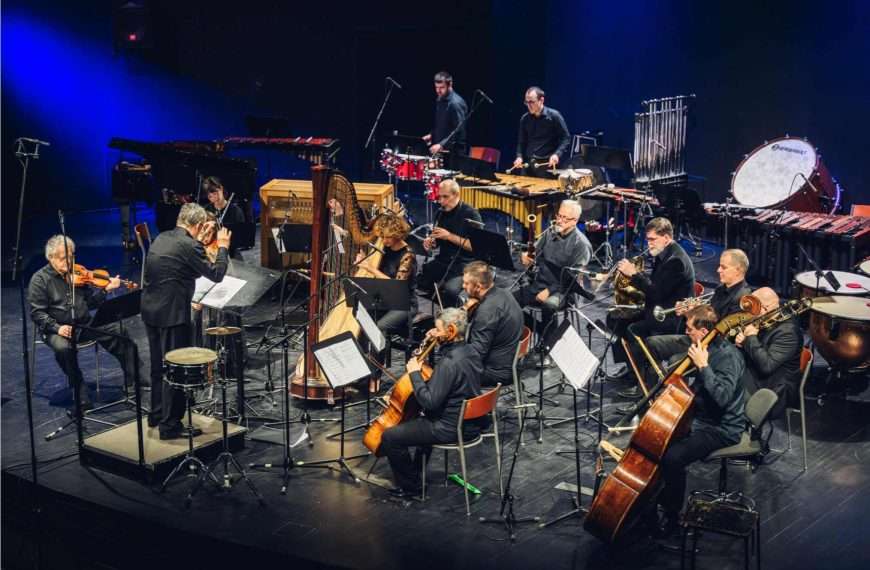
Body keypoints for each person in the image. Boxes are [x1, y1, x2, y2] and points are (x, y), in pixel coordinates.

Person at [652, 304, 746, 538]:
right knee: (657, 442)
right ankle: (653, 505)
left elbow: (722, 398)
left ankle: (672, 518)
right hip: (700, 417)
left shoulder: (727, 357)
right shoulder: (704, 348)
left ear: (704, 331)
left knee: (673, 457)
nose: (686, 333)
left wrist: (703, 366)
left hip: (722, 428)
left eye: (689, 329)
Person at [141, 203, 231, 440]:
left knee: (158, 367)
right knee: (176, 369)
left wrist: (198, 243)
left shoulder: (162, 238)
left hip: (151, 311)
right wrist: (223, 246)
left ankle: (157, 414)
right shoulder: (189, 245)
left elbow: (184, 267)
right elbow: (216, 274)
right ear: (199, 225)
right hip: (172, 315)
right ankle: (170, 425)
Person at [28, 235, 138, 416]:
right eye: (64, 258)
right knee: (63, 349)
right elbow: (37, 313)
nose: (69, 261)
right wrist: (57, 328)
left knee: (118, 331)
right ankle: (80, 393)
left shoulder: (78, 274)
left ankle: (133, 379)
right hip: (56, 329)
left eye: (71, 256)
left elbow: (90, 304)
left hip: (83, 324)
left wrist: (105, 290)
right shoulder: (39, 280)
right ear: (51, 257)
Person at [380, 307, 484, 497]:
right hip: (471, 423)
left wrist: (414, 373)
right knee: (420, 420)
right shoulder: (471, 351)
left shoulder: (449, 363)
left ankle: (412, 487)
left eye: (438, 329)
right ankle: (416, 473)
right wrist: (434, 339)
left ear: (451, 331)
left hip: (450, 427)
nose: (435, 332)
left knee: (390, 437)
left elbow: (430, 402)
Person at [640, 249, 753, 383]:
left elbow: (724, 332)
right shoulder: (721, 288)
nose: (718, 270)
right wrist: (691, 312)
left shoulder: (744, 299)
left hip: (712, 348)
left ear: (738, 270)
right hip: (698, 338)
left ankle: (678, 394)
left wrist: (698, 317)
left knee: (675, 362)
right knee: (652, 343)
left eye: (723, 267)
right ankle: (649, 390)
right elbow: (708, 316)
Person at [606, 217, 695, 385]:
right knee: (615, 318)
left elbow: (656, 293)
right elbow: (656, 285)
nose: (649, 244)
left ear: (666, 238)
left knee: (633, 329)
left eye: (652, 239)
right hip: (656, 308)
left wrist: (634, 274)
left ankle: (642, 379)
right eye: (648, 239)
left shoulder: (676, 261)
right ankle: (631, 368)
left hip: (669, 317)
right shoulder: (664, 254)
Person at [514, 200, 592, 331]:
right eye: (559, 216)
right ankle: (541, 332)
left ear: (575, 221)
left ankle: (548, 338)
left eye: (564, 218)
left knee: (549, 305)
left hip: (565, 291)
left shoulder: (581, 245)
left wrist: (549, 291)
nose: (559, 221)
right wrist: (527, 256)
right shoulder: (550, 232)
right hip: (541, 283)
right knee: (510, 302)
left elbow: (572, 278)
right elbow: (535, 252)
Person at [735, 287, 802, 418]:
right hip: (758, 373)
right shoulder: (767, 318)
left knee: (728, 386)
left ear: (765, 309)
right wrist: (744, 343)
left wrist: (750, 338)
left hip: (774, 389)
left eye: (753, 309)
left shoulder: (788, 333)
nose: (749, 314)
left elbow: (766, 366)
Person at [418, 179, 482, 308]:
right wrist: (432, 242)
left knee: (450, 290)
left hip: (465, 264)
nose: (441, 201)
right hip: (444, 259)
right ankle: (444, 305)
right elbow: (438, 241)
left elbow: (476, 247)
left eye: (445, 197)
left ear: (456, 195)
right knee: (420, 283)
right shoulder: (440, 212)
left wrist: (449, 236)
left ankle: (459, 306)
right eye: (439, 197)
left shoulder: (471, 214)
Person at [353, 213, 418, 336]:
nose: (384, 240)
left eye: (388, 237)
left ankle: (379, 348)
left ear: (397, 234)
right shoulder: (385, 248)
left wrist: (371, 268)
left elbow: (397, 286)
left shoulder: (408, 256)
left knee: (379, 326)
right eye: (382, 236)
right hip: (386, 298)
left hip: (405, 303)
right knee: (361, 316)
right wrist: (365, 260)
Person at [462, 261, 523, 387]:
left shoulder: (487, 311)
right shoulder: (504, 293)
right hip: (509, 363)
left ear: (478, 287)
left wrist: (449, 347)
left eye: (467, 283)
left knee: (447, 372)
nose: (463, 286)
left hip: (494, 372)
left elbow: (477, 354)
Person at [512, 86, 571, 177]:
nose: (529, 105)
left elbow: (566, 138)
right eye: (526, 102)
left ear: (541, 100)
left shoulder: (554, 116)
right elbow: (521, 142)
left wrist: (557, 154)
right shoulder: (525, 119)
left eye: (532, 102)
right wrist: (519, 157)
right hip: (528, 166)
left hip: (547, 166)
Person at [422, 71, 468, 158]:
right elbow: (441, 124)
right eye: (436, 87)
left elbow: (458, 131)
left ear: (450, 85)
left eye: (442, 87)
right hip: (440, 150)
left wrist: (442, 145)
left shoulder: (456, 103)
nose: (438, 91)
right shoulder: (440, 99)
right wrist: (432, 135)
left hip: (454, 153)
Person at [202, 176, 245, 260]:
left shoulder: (236, 211)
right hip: (211, 250)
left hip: (231, 250)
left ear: (221, 188)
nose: (215, 198)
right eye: (210, 196)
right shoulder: (206, 210)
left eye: (216, 193)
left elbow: (241, 236)